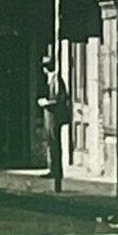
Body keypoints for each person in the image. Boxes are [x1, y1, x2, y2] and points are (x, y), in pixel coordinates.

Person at [38, 54, 69, 193]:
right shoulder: (50, 80)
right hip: (49, 115)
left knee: (54, 143)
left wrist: (46, 103)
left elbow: (60, 99)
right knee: (51, 142)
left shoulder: (56, 80)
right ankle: (53, 169)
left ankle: (57, 171)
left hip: (54, 115)